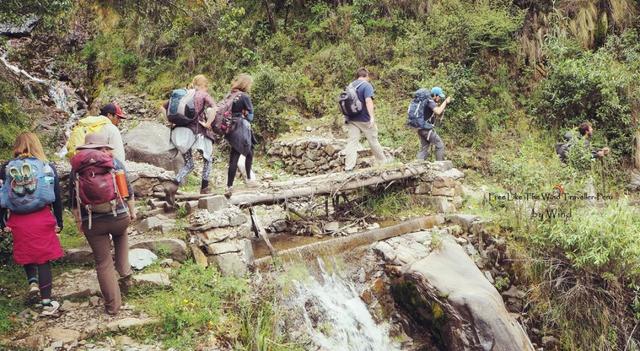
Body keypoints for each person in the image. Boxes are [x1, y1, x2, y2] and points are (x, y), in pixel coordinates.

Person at [70, 133, 136, 316]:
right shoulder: (114, 163)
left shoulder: (77, 167)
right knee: (121, 236)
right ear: (104, 147)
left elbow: (74, 201)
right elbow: (128, 192)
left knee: (103, 262)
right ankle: (125, 273)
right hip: (119, 216)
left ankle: (113, 307)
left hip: (93, 221)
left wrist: (78, 222)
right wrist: (132, 212)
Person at [0, 132, 64, 315]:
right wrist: (59, 221)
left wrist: (2, 221)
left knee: (27, 252)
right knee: (43, 259)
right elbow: (57, 198)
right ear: (36, 145)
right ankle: (47, 303)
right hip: (42, 217)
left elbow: (2, 193)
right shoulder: (46, 166)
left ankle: (32, 282)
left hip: (18, 219)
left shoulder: (6, 167)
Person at [164, 75, 217, 202]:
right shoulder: (202, 95)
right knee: (208, 158)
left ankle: (173, 184)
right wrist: (208, 123)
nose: (206, 89)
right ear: (203, 85)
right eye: (206, 86)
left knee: (189, 164)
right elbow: (215, 108)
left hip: (179, 133)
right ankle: (204, 188)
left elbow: (162, 107)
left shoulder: (183, 94)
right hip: (196, 133)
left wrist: (168, 121)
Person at [343, 67, 387, 171]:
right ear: (366, 75)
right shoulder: (367, 85)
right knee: (373, 140)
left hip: (351, 119)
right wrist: (372, 117)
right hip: (364, 119)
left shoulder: (350, 85)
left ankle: (349, 168)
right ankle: (383, 163)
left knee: (352, 142)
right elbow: (368, 101)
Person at [224, 73, 258, 197]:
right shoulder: (244, 96)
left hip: (230, 128)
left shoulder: (230, 95)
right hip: (241, 128)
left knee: (243, 153)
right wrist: (245, 113)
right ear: (246, 84)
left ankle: (230, 185)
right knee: (243, 154)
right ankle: (246, 180)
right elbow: (250, 117)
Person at [416, 87, 451, 161]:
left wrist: (441, 106)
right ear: (434, 95)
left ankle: (418, 163)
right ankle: (440, 164)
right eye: (439, 96)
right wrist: (445, 102)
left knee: (424, 148)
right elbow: (438, 111)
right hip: (426, 129)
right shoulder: (430, 101)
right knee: (439, 145)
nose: (439, 98)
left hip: (420, 128)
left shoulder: (427, 101)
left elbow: (437, 114)